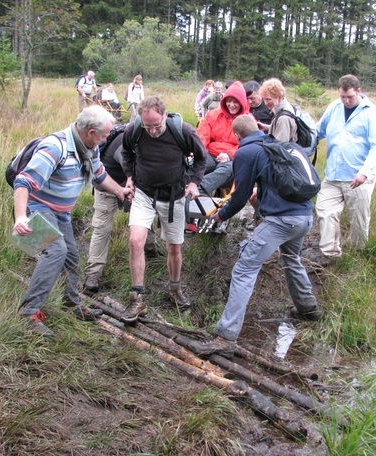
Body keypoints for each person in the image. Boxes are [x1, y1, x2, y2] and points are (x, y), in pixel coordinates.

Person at [198, 114, 322, 353]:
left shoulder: (246, 153)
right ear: (259, 129)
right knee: (291, 259)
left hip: (281, 221)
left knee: (244, 269)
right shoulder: (280, 145)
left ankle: (225, 336)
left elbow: (239, 196)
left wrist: (221, 215)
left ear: (236, 136)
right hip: (305, 217)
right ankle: (308, 309)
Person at [13, 106, 130, 337]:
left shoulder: (90, 147)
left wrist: (119, 191)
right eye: (104, 135)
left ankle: (71, 303)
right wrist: (20, 217)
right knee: (56, 251)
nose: (106, 139)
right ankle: (28, 312)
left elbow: (99, 175)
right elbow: (23, 182)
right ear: (90, 131)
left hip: (60, 212)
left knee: (71, 256)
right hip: (37, 207)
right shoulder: (55, 147)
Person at [120, 96, 208, 320]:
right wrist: (129, 176)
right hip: (144, 193)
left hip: (174, 196)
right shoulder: (135, 130)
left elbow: (201, 158)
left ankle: (175, 289)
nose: (152, 131)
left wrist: (194, 183)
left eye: (156, 126)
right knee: (135, 240)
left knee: (174, 247)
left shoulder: (183, 131)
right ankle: (137, 298)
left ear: (165, 115)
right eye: (147, 126)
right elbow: (126, 152)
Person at [315, 74, 376, 258]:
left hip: (358, 177)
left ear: (359, 92)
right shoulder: (334, 107)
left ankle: (358, 255)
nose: (346, 101)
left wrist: (364, 172)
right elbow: (318, 131)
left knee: (358, 220)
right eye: (342, 97)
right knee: (325, 211)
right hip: (333, 175)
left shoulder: (371, 112)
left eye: (350, 97)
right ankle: (330, 253)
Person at [83, 127, 127, 293]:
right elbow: (133, 171)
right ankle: (93, 274)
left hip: (129, 186)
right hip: (106, 187)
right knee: (102, 229)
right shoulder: (123, 142)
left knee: (143, 221)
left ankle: (149, 248)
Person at [196, 80, 249, 196]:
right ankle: (179, 191)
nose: (231, 105)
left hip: (231, 159)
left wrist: (229, 155)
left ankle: (197, 190)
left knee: (227, 169)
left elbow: (247, 145)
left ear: (242, 102)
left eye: (236, 102)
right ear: (224, 101)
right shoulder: (213, 114)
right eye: (229, 101)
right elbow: (202, 134)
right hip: (210, 154)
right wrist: (199, 150)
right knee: (194, 163)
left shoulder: (247, 120)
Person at [259, 78, 297, 142]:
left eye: (268, 99)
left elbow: (280, 147)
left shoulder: (283, 118)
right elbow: (280, 128)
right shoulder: (283, 108)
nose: (265, 103)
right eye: (264, 99)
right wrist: (266, 127)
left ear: (279, 97)